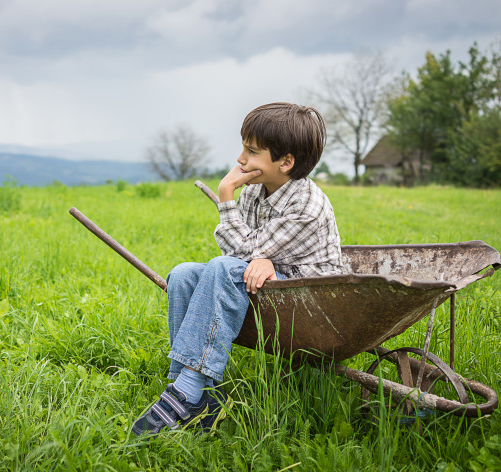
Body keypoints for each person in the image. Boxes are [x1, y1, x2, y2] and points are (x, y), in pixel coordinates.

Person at [132, 102, 343, 437]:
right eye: (243, 147)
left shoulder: (307, 205)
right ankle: (194, 391)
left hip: (309, 300)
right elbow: (245, 252)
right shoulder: (256, 191)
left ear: (285, 162)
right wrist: (260, 256)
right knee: (185, 273)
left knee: (224, 268)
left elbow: (237, 254)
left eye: (251, 151)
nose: (240, 160)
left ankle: (186, 391)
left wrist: (226, 195)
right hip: (270, 286)